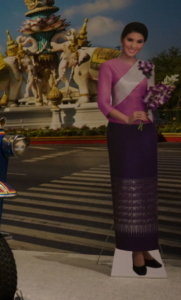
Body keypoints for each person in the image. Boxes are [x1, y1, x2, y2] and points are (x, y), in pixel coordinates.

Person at [97, 22, 162, 276]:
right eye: (130, 40)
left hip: (145, 133)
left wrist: (157, 100)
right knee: (128, 191)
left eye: (139, 42)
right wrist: (127, 119)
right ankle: (135, 252)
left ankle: (145, 247)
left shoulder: (147, 67)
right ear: (122, 39)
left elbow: (149, 102)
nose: (134, 45)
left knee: (146, 191)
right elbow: (103, 103)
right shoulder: (108, 66)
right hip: (122, 133)